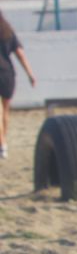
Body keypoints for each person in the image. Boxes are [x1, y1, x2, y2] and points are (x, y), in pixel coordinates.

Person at [0, 8, 37, 160]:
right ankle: (3, 145)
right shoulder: (8, 33)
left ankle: (2, 143)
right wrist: (30, 74)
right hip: (8, 75)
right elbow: (20, 54)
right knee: (5, 111)